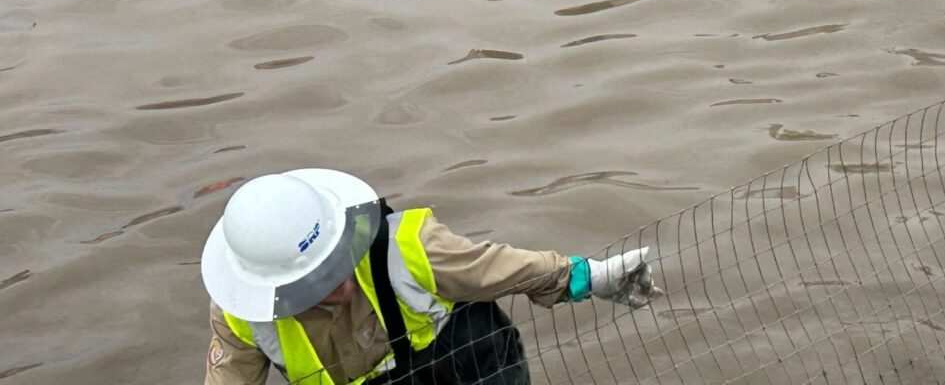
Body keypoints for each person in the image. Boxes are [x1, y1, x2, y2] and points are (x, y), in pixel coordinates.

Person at [200, 168, 660, 385]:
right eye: (313, 283)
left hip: (474, 371)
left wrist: (587, 279)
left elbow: (502, 269)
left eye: (336, 261)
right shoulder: (241, 317)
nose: (336, 283)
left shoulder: (408, 248)